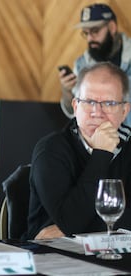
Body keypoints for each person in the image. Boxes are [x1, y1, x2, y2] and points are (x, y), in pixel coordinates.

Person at [28, 62, 131, 240]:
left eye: (109, 103)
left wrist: (79, 228)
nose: (97, 112)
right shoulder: (50, 150)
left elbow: (69, 228)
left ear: (124, 111)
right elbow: (71, 221)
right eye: (89, 102)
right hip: (53, 258)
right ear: (75, 107)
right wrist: (102, 154)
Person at [59, 3, 131, 126]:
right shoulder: (82, 65)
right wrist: (67, 93)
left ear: (112, 27)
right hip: (96, 141)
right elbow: (75, 114)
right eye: (86, 33)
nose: (90, 39)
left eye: (95, 31)